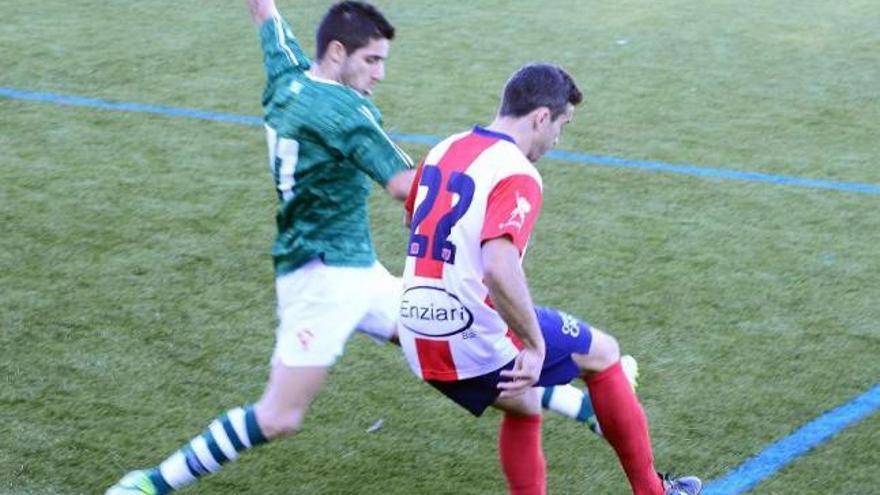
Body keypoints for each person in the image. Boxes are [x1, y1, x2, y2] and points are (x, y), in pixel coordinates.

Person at [105, 1, 415, 493]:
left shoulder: (288, 76)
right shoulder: (344, 109)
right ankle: (148, 485)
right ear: (338, 52)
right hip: (324, 280)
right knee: (278, 416)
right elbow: (405, 185)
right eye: (372, 60)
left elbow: (265, 14)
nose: (379, 74)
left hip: (355, 269)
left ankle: (577, 403)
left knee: (447, 338)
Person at [396, 63, 702, 495]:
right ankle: (654, 491)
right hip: (469, 335)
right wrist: (535, 346)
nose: (558, 139)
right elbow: (498, 268)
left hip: (414, 325)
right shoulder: (517, 171)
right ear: (541, 117)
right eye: (562, 125)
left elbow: (414, 222)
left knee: (523, 406)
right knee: (604, 354)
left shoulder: (445, 148)